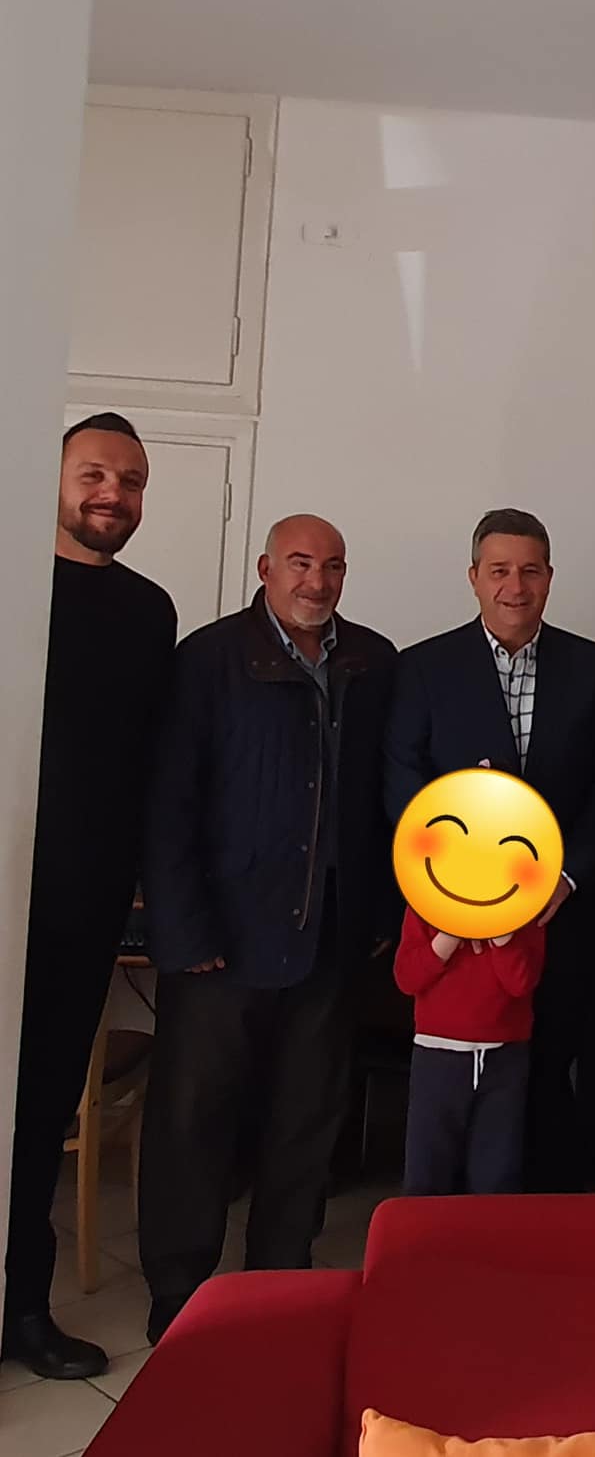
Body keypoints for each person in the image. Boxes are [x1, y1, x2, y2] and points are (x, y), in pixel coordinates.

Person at [140, 514, 396, 1344]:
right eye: (299, 563)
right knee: (194, 1125)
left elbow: (387, 802)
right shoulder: (210, 659)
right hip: (222, 942)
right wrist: (183, 931)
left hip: (327, 940)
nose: (317, 582)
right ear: (265, 569)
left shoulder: (372, 661)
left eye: (333, 566)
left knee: (305, 1126)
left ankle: (279, 1284)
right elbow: (170, 803)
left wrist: (378, 915)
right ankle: (179, 1295)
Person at [384, 509, 595, 1192]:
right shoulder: (424, 667)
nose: (515, 586)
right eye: (499, 570)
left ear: (550, 578)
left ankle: (546, 1232)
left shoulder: (594, 667)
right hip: (457, 936)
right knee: (458, 1106)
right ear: (474, 577)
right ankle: (453, 1238)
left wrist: (570, 877)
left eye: (530, 571)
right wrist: (456, 899)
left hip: (562, 916)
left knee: (553, 1074)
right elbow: (404, 787)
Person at [3, 415, 176, 1381]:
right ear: (55, 478)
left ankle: (23, 1309)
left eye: (132, 480)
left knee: (39, 1109)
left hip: (85, 901)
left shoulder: (150, 611)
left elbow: (149, 761)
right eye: (95, 473)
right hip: (6, 886)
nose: (114, 493)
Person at [393, 905, 545, 1197]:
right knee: (427, 1173)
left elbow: (521, 982)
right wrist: (447, 938)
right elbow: (406, 978)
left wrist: (502, 937)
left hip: (504, 1059)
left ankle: (488, 1229)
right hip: (436, 1056)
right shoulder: (425, 901)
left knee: (497, 1175)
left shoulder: (525, 906)